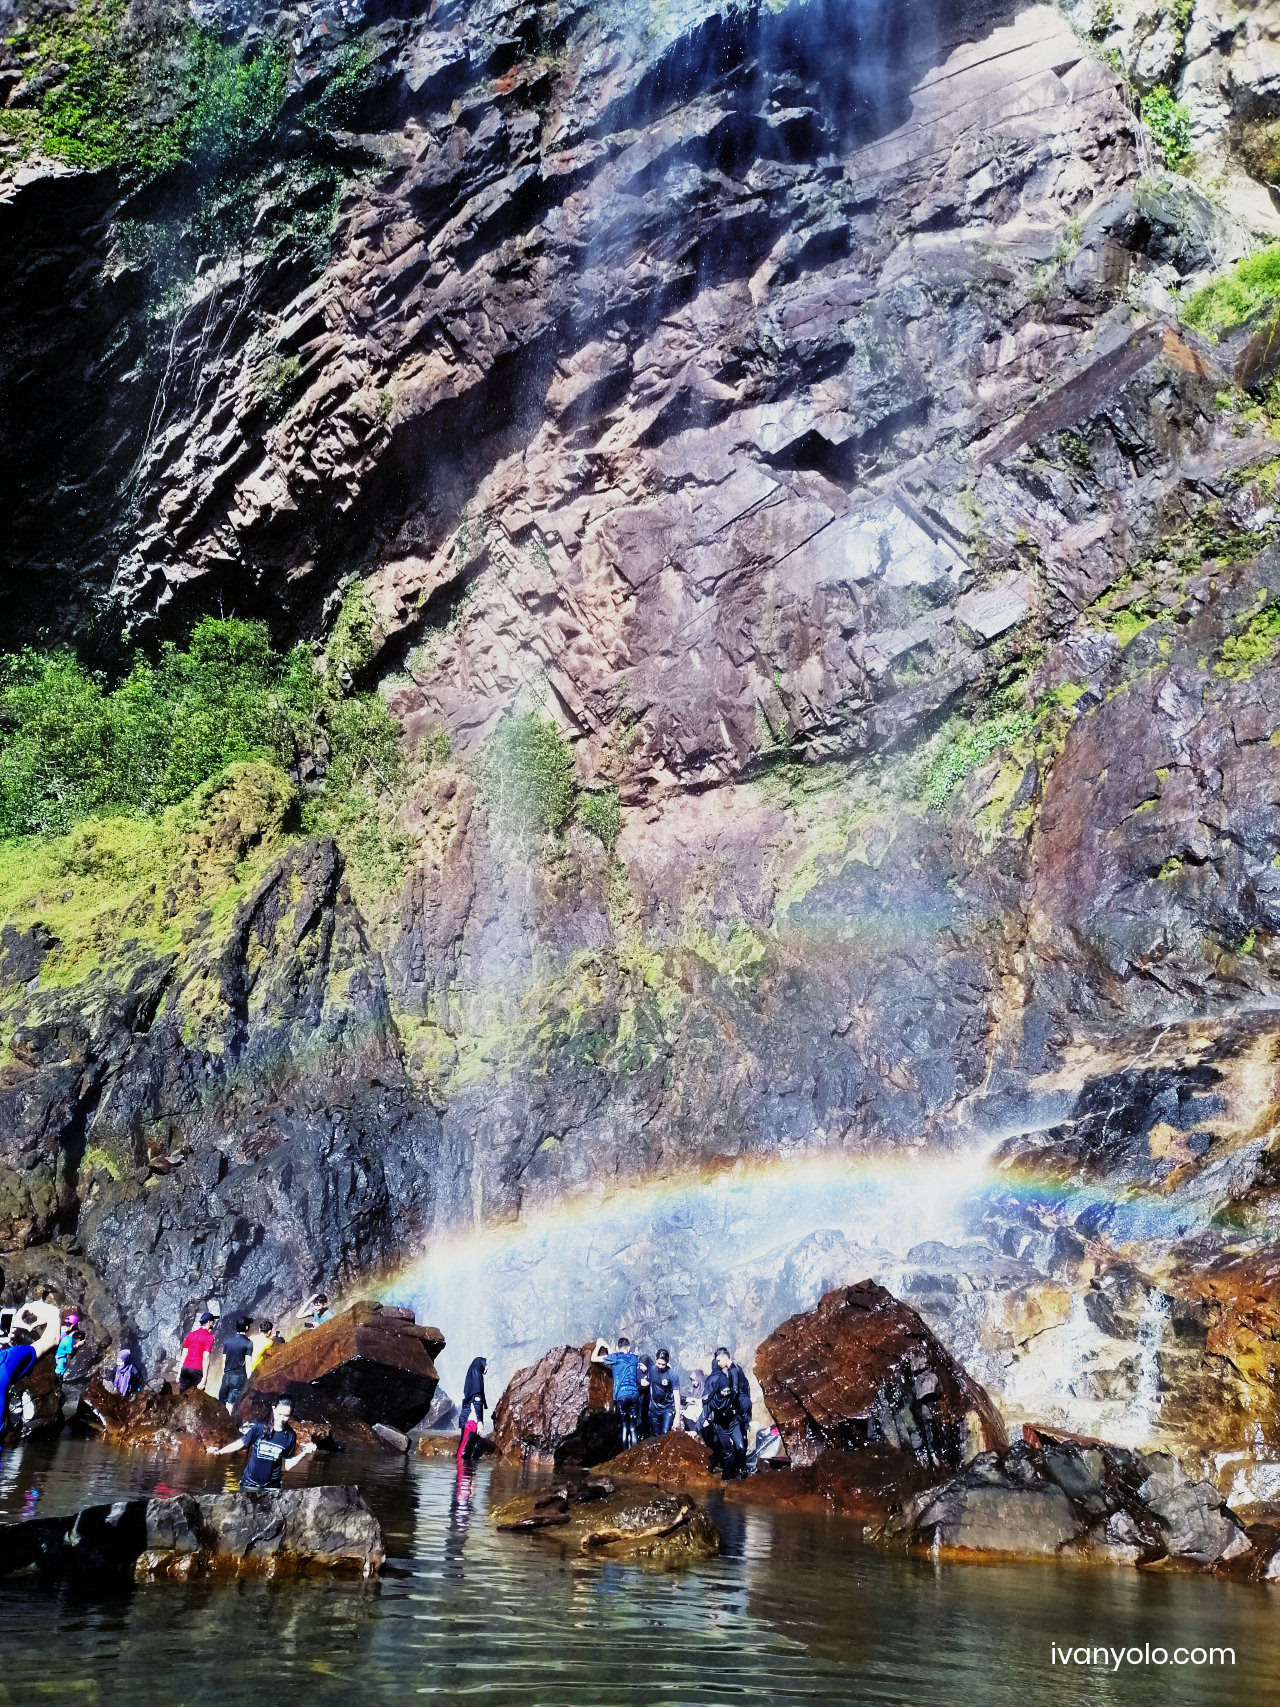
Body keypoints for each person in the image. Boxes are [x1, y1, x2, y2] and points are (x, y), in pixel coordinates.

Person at [206, 1394, 316, 1489]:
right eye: (279, 1414)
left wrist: (304, 1453)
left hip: (272, 1487)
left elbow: (287, 1466)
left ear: (291, 1415)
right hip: (249, 1483)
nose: (281, 1418)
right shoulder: (259, 1428)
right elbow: (240, 1443)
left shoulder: (290, 1435)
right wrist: (219, 1452)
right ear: (274, 1409)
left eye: (286, 1416)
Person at [700, 1347, 751, 1479]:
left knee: (740, 1444)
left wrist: (742, 1415)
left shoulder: (732, 1371)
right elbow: (706, 1405)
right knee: (733, 1447)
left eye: (718, 1360)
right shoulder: (737, 1368)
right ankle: (733, 1473)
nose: (718, 1364)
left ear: (724, 1358)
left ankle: (740, 1469)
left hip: (736, 1412)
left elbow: (735, 1391)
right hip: (728, 1418)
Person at [591, 1335, 641, 1448]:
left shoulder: (614, 1357)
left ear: (618, 1348)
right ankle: (634, 1454)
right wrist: (608, 1347)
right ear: (628, 1348)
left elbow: (593, 1358)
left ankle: (624, 1453)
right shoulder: (634, 1358)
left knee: (624, 1426)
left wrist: (599, 1345)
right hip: (633, 1394)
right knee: (633, 1427)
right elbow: (622, 1357)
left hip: (621, 1395)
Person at [456, 1356, 487, 1468]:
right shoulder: (476, 1385)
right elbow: (477, 1403)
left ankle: (466, 1477)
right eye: (485, 1365)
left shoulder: (473, 1380)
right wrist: (479, 1422)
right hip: (471, 1419)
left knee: (467, 1447)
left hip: (470, 1419)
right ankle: (462, 1477)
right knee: (465, 1448)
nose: (487, 1367)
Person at [642, 1349, 682, 1436]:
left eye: (663, 1364)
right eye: (658, 1363)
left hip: (667, 1408)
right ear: (655, 1360)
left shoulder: (672, 1374)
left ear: (667, 1362)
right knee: (655, 1436)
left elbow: (676, 1395)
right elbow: (646, 1382)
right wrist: (633, 1379)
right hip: (654, 1408)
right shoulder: (652, 1370)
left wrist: (677, 1416)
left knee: (665, 1434)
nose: (660, 1366)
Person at [219, 1315, 254, 1411]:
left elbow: (224, 1360)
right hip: (239, 1378)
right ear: (247, 1327)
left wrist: (224, 1375)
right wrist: (250, 1381)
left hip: (227, 1376)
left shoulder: (227, 1341)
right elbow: (248, 1363)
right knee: (232, 1406)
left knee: (222, 1403)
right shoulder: (248, 1343)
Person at [179, 1312, 215, 1392]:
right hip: (196, 1370)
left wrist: (179, 1373)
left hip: (185, 1369)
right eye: (213, 1320)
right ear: (209, 1322)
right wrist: (204, 1379)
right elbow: (206, 1358)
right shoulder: (209, 1337)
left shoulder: (190, 1334)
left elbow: (184, 1355)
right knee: (197, 1398)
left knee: (182, 1397)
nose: (214, 1322)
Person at [54, 1313, 81, 1380]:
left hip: (55, 1360)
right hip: (61, 1370)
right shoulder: (68, 1339)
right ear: (72, 1326)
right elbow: (70, 1354)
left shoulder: (57, 1332)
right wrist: (78, 1345)